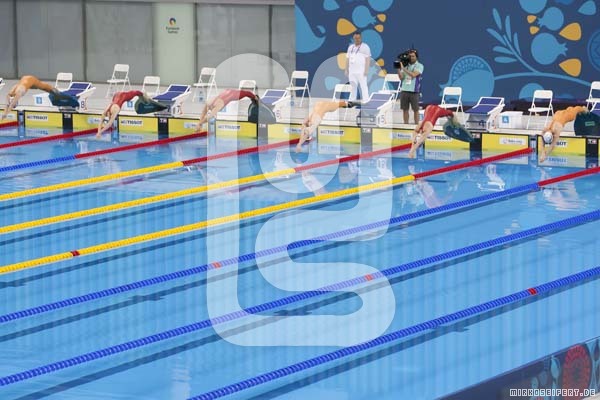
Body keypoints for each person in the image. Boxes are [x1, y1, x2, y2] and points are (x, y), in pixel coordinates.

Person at [97, 90, 167, 137]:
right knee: (139, 95)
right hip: (117, 94)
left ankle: (146, 96)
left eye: (109, 117)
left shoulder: (115, 110)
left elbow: (109, 124)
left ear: (110, 114)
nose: (110, 118)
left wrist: (100, 132)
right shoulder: (106, 110)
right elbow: (101, 121)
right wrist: (99, 131)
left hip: (125, 96)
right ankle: (144, 96)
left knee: (140, 95)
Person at [397, 50, 424, 124]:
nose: (411, 58)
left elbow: (413, 75)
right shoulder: (406, 65)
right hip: (404, 90)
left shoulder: (420, 66)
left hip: (414, 91)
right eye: (410, 56)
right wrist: (398, 69)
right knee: (405, 109)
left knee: (416, 110)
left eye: (413, 56)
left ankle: (416, 125)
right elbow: (401, 78)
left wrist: (403, 68)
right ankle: (406, 125)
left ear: (416, 57)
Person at [345, 31, 371, 101]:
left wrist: (366, 70)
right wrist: (346, 69)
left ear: (361, 38)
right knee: (353, 86)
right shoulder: (350, 47)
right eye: (355, 38)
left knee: (363, 86)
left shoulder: (365, 47)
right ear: (353, 38)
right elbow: (347, 59)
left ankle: (366, 100)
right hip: (352, 71)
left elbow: (368, 59)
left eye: (358, 38)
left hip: (361, 71)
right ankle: (352, 100)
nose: (357, 39)